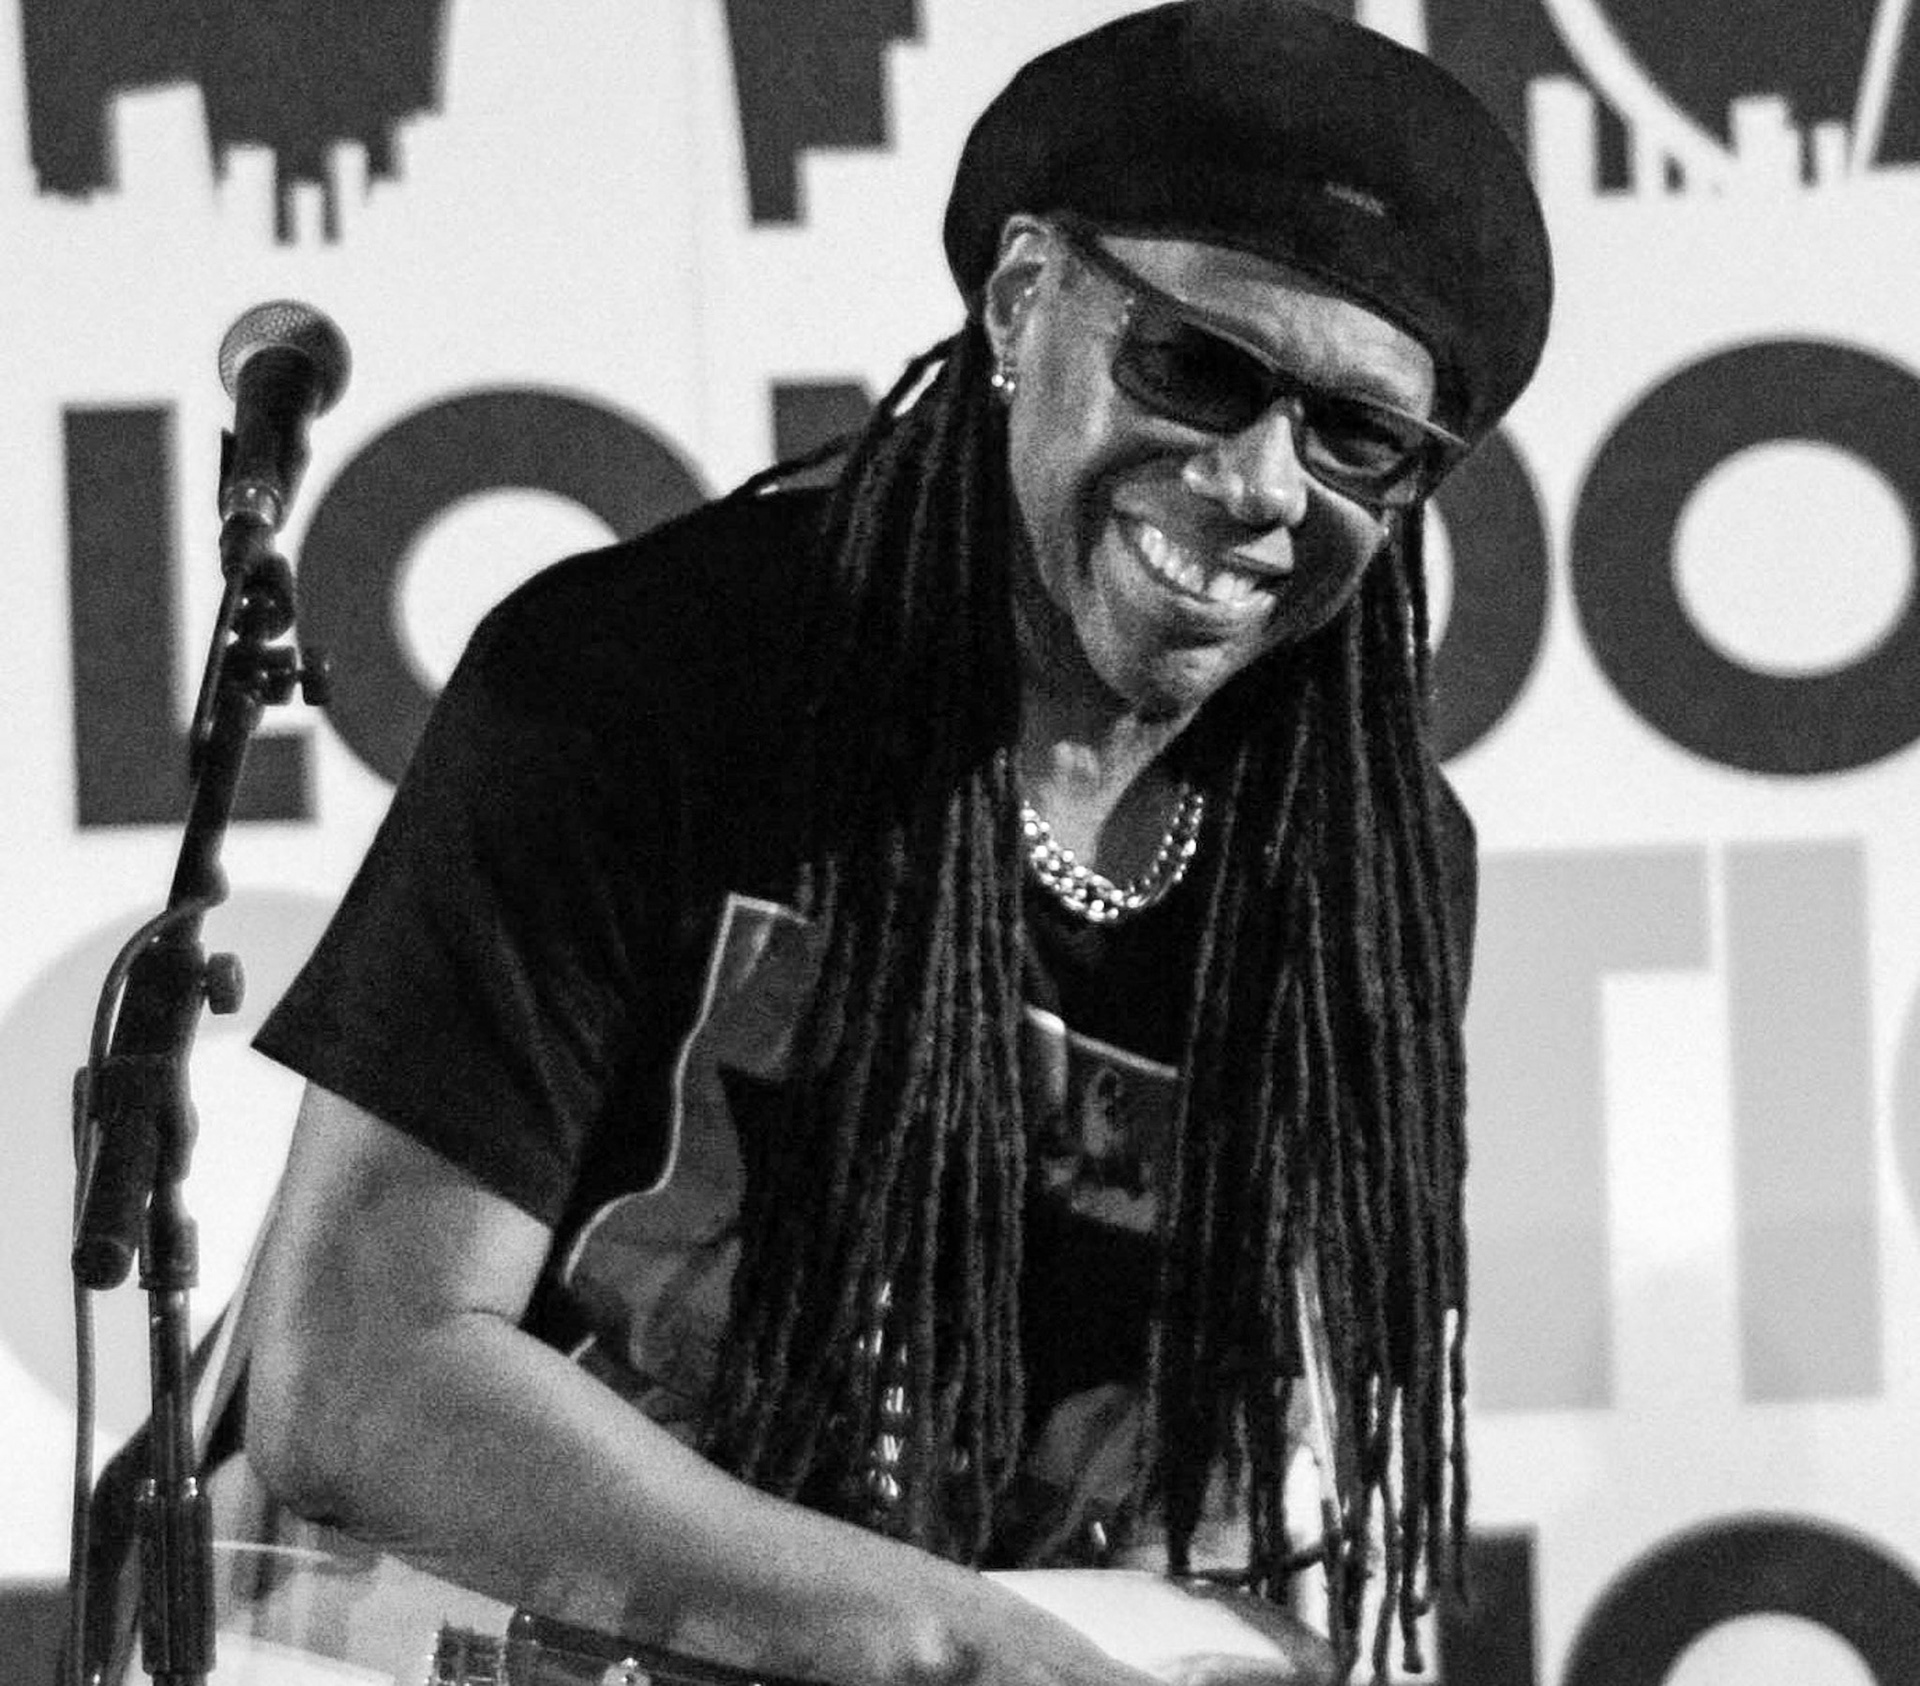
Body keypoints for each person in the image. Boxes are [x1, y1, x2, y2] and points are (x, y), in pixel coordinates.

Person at [223, 3, 1551, 1683]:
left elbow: (1230, 1481)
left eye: (1357, 435)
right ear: (1022, 299)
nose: (1259, 482)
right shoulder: (641, 684)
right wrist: (946, 1645)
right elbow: (363, 1375)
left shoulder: (1366, 870)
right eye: (1197, 368)